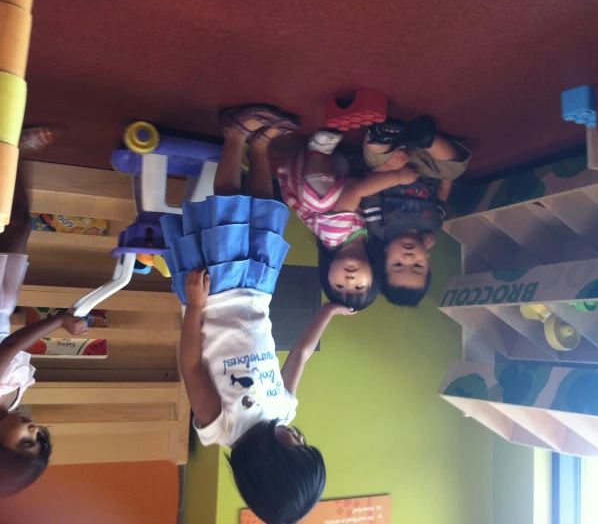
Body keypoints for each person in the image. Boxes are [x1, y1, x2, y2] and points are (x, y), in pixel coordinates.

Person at [162, 104, 353, 524]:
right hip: (257, 293)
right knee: (266, 215)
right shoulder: (282, 412)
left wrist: (195, 307)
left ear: (267, 466)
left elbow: (191, 366)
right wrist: (328, 312)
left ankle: (234, 135)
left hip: (214, 296)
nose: (299, 438)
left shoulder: (221, 428)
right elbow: (300, 354)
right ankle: (262, 147)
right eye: (307, 444)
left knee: (228, 209)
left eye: (296, 448)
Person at [0, 167, 89, 497]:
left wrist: (61, 322)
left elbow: (10, 346)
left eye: (25, 442)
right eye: (37, 440)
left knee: (16, 224)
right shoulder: (12, 403)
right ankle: (20, 155)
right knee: (20, 224)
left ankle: (16, 154)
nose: (34, 431)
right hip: (3, 305)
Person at [277, 130, 419, 311]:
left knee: (321, 202)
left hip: (303, 176)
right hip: (339, 174)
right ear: (373, 276)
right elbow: (365, 193)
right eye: (359, 287)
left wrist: (396, 176)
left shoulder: (333, 237)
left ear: (328, 273)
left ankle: (318, 150)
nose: (349, 281)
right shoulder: (368, 239)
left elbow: (355, 191)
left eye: (339, 286)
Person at [361, 116, 472, 307]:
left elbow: (369, 188)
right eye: (418, 266)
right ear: (429, 263)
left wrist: (390, 168)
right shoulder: (433, 226)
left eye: (397, 265)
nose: (408, 258)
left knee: (373, 156)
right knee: (455, 169)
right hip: (427, 168)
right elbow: (442, 196)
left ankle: (382, 134)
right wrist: (448, 173)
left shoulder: (379, 229)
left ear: (385, 255)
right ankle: (425, 137)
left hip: (393, 163)